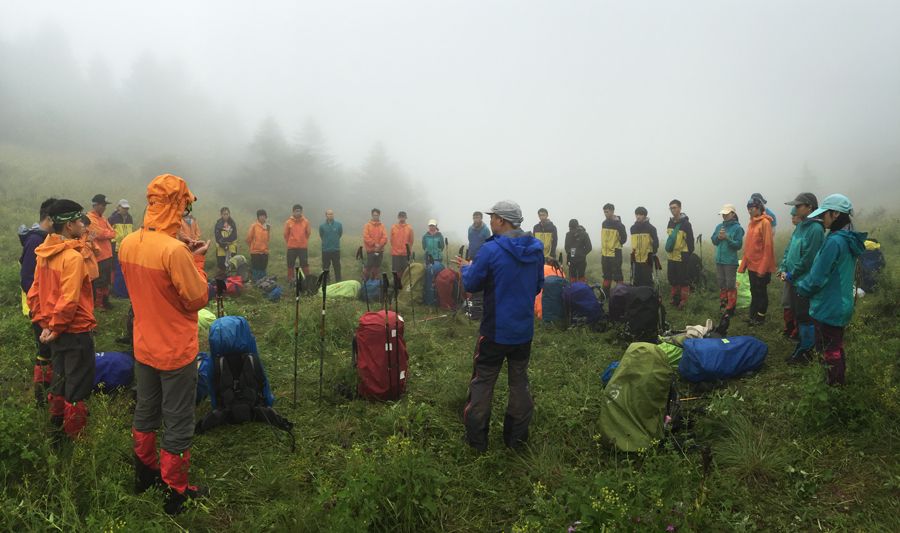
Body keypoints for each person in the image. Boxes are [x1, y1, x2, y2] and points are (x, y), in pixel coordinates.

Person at [119, 173, 210, 514]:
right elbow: (197, 298)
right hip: (174, 351)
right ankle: (175, 490)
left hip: (144, 346)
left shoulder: (129, 243)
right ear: (176, 205)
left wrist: (182, 253)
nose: (187, 212)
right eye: (185, 206)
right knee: (178, 419)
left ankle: (144, 474)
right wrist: (196, 259)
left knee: (145, 410)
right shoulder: (175, 252)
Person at [454, 200, 543, 452]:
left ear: (502, 221)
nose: (490, 220)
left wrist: (466, 268)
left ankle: (477, 442)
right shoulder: (535, 249)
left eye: (493, 217)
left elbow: (471, 283)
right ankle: (516, 441)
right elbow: (537, 285)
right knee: (519, 383)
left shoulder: (490, 250)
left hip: (494, 332)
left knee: (482, 383)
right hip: (523, 332)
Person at [27, 199, 96, 441]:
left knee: (59, 378)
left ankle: (55, 426)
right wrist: (55, 326)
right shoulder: (72, 258)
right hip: (75, 331)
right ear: (68, 226)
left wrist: (45, 324)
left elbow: (34, 293)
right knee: (77, 386)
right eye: (78, 221)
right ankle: (74, 440)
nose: (82, 225)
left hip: (54, 330)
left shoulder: (43, 254)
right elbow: (69, 299)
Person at [795, 194, 865, 385]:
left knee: (828, 350)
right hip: (841, 303)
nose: (822, 218)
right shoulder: (847, 238)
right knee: (836, 346)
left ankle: (833, 388)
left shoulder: (835, 241)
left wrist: (802, 288)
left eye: (824, 214)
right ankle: (838, 383)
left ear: (835, 214)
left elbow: (817, 276)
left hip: (828, 304)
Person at [19, 197, 56, 405]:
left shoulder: (43, 238)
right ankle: (41, 395)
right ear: (50, 219)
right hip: (39, 308)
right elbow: (27, 280)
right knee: (44, 350)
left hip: (44, 306)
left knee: (48, 349)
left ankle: (46, 391)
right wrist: (41, 307)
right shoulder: (36, 240)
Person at [780, 193, 825, 365]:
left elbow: (808, 258)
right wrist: (784, 268)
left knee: (805, 316)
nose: (796, 210)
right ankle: (802, 346)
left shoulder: (815, 229)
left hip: (804, 281)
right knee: (798, 314)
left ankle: (807, 352)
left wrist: (793, 273)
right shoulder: (801, 226)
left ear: (809, 207)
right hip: (793, 279)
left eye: (798, 206)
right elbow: (790, 249)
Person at [738, 196, 776, 325]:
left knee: (761, 292)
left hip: (761, 266)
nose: (749, 211)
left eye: (752, 208)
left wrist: (763, 268)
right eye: (748, 208)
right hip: (752, 265)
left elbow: (768, 247)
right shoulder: (752, 223)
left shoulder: (765, 223)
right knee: (754, 291)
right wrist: (743, 264)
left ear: (759, 208)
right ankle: (752, 316)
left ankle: (761, 317)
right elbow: (749, 247)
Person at [711, 204, 744, 316]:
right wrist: (718, 238)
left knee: (730, 284)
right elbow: (714, 240)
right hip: (719, 260)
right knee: (721, 283)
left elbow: (738, 245)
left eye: (726, 213)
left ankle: (730, 308)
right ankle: (723, 305)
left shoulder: (738, 228)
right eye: (723, 214)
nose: (724, 216)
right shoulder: (719, 226)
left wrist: (727, 238)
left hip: (730, 261)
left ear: (733, 214)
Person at [87, 194, 116, 309]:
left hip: (108, 254)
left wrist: (107, 233)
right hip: (98, 255)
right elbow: (98, 234)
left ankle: (105, 301)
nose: (105, 207)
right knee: (100, 281)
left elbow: (113, 232)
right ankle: (98, 304)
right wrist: (107, 233)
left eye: (105, 205)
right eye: (103, 205)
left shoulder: (103, 218)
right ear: (96, 205)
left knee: (107, 280)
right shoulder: (90, 218)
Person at [665, 199, 695, 309]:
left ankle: (683, 301)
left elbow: (691, 241)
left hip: (682, 255)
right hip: (671, 256)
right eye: (671, 208)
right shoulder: (670, 222)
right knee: (672, 278)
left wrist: (686, 253)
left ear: (680, 208)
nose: (673, 210)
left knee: (683, 280)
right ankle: (674, 298)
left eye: (675, 207)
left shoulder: (686, 224)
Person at [599, 203, 627, 293]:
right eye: (604, 212)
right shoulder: (604, 223)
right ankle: (605, 295)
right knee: (606, 275)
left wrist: (615, 244)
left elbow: (624, 239)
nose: (605, 214)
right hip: (605, 254)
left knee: (618, 275)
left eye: (607, 212)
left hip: (615, 254)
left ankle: (621, 294)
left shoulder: (619, 225)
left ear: (612, 211)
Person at [629, 207, 659, 287]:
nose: (638, 216)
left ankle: (649, 297)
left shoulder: (651, 228)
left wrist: (652, 255)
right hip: (636, 259)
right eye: (637, 214)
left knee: (648, 281)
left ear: (645, 216)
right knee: (636, 280)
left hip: (647, 260)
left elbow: (656, 244)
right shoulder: (632, 228)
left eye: (640, 214)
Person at [283, 204, 311, 283]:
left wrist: (303, 240)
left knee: (304, 263)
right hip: (291, 247)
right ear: (293, 212)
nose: (298, 213)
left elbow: (308, 233)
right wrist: (290, 242)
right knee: (290, 264)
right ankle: (290, 279)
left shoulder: (306, 222)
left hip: (303, 247)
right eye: (296, 211)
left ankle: (307, 279)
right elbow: (286, 234)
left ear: (301, 212)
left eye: (299, 211)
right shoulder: (288, 222)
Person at [362, 208, 387, 280]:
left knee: (377, 267)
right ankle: (366, 282)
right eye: (374, 215)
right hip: (371, 250)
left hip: (380, 250)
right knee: (369, 266)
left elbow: (385, 237)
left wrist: (380, 245)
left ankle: (375, 284)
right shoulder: (367, 225)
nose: (375, 216)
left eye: (377, 215)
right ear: (372, 215)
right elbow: (366, 237)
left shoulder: (382, 226)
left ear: (379, 215)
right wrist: (374, 244)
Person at [247, 209, 271, 281]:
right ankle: (256, 281)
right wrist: (253, 246)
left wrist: (268, 230)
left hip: (264, 251)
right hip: (255, 251)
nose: (262, 217)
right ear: (258, 217)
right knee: (256, 267)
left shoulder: (267, 227)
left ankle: (263, 281)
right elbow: (249, 238)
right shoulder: (254, 226)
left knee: (263, 267)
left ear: (266, 217)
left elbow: (267, 239)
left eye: (264, 216)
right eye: (260, 216)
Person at [319, 209, 343, 282]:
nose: (330, 215)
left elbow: (340, 234)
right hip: (326, 250)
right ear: (326, 215)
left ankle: (338, 281)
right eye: (329, 214)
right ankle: (327, 281)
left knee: (337, 266)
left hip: (335, 249)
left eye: (332, 214)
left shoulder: (339, 225)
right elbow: (321, 235)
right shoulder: (322, 226)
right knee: (325, 267)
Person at [214, 207, 238, 278]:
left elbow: (234, 235)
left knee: (231, 265)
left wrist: (227, 241)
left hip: (231, 248)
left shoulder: (233, 223)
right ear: (221, 215)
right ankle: (221, 281)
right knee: (221, 265)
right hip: (221, 249)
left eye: (227, 214)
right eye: (224, 214)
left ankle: (230, 282)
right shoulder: (218, 224)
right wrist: (224, 245)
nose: (226, 215)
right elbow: (217, 237)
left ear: (229, 214)